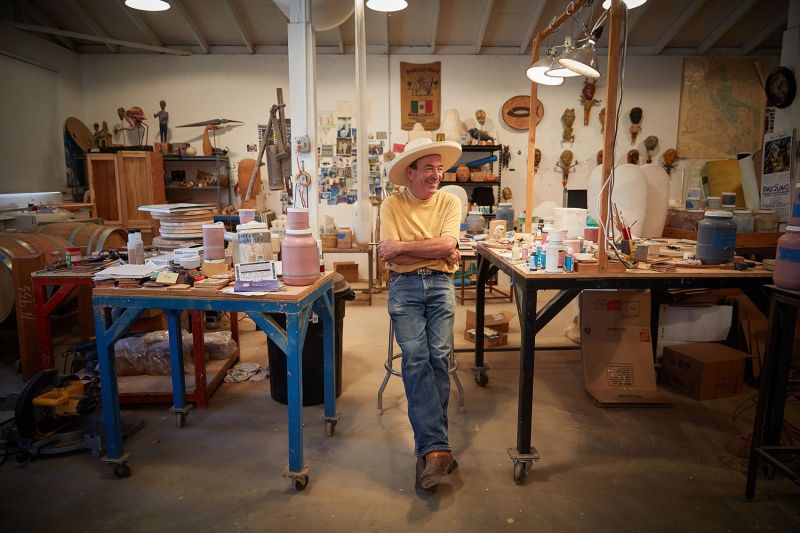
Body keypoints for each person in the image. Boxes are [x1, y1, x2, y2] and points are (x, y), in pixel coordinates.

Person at [378, 136, 463, 496]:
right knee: (416, 359)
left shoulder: (449, 201)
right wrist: (434, 250)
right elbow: (390, 257)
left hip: (441, 285)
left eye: (439, 168)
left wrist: (405, 248)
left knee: (439, 358)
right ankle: (437, 450)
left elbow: (447, 245)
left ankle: (430, 450)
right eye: (428, 168)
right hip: (405, 288)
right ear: (410, 172)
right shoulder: (391, 205)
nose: (436, 174)